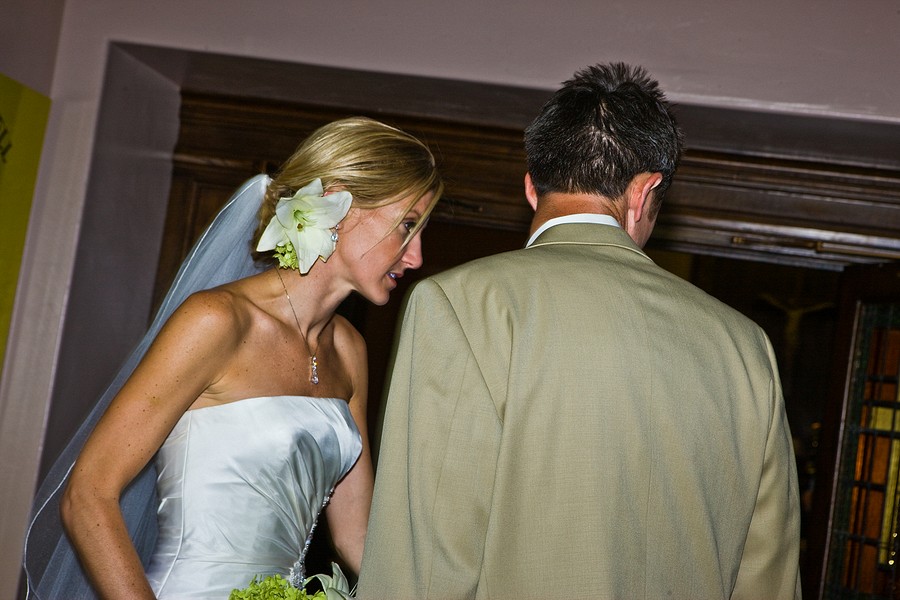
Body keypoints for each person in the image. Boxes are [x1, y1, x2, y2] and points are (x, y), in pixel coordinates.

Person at [357, 63, 802, 599]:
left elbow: (424, 562)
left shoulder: (463, 304)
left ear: (532, 188)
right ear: (645, 192)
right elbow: (767, 576)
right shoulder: (745, 347)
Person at [23, 116, 443, 599]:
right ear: (337, 204)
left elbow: (358, 536)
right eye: (407, 226)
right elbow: (88, 494)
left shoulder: (348, 349)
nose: (416, 257)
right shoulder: (217, 321)